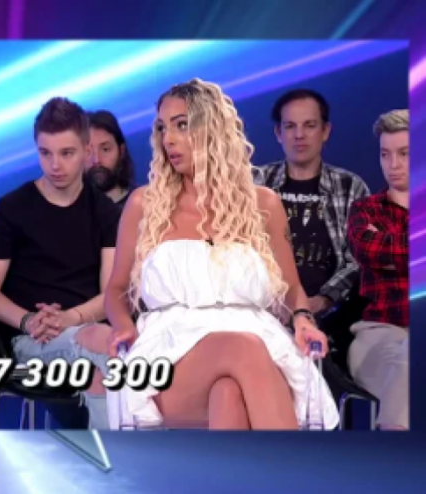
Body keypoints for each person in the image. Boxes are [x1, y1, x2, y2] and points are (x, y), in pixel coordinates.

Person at [105, 78, 339, 430]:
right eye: (163, 127)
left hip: (260, 342)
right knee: (243, 349)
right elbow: (116, 289)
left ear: (212, 128)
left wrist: (303, 319)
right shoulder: (145, 204)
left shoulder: (263, 204)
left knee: (229, 395)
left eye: (182, 125)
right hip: (170, 353)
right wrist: (123, 328)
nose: (168, 139)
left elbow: (291, 288)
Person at [0, 97, 118, 430]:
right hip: (30, 339)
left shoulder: (105, 211)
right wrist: (28, 320)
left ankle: (95, 455)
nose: (55, 165)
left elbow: (112, 293)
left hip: (89, 329)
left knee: (105, 361)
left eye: (66, 153)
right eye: (45, 153)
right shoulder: (12, 208)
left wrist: (72, 317)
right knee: (108, 348)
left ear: (87, 151)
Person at [254, 89, 369, 318]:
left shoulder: (350, 187)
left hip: (333, 313)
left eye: (309, 125)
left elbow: (360, 258)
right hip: (264, 312)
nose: (299, 135)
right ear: (278, 133)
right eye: (290, 126)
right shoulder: (256, 183)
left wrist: (324, 299)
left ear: (325, 131)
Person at [346, 109, 409, 430]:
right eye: (385, 154)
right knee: (410, 365)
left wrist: (394, 248)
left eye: (404, 154)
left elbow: (389, 251)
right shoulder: (365, 210)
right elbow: (369, 249)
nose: (393, 164)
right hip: (380, 332)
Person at [86, 110, 135, 210]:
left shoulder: (145, 205)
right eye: (88, 152)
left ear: (121, 151)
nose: (96, 160)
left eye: (105, 149)